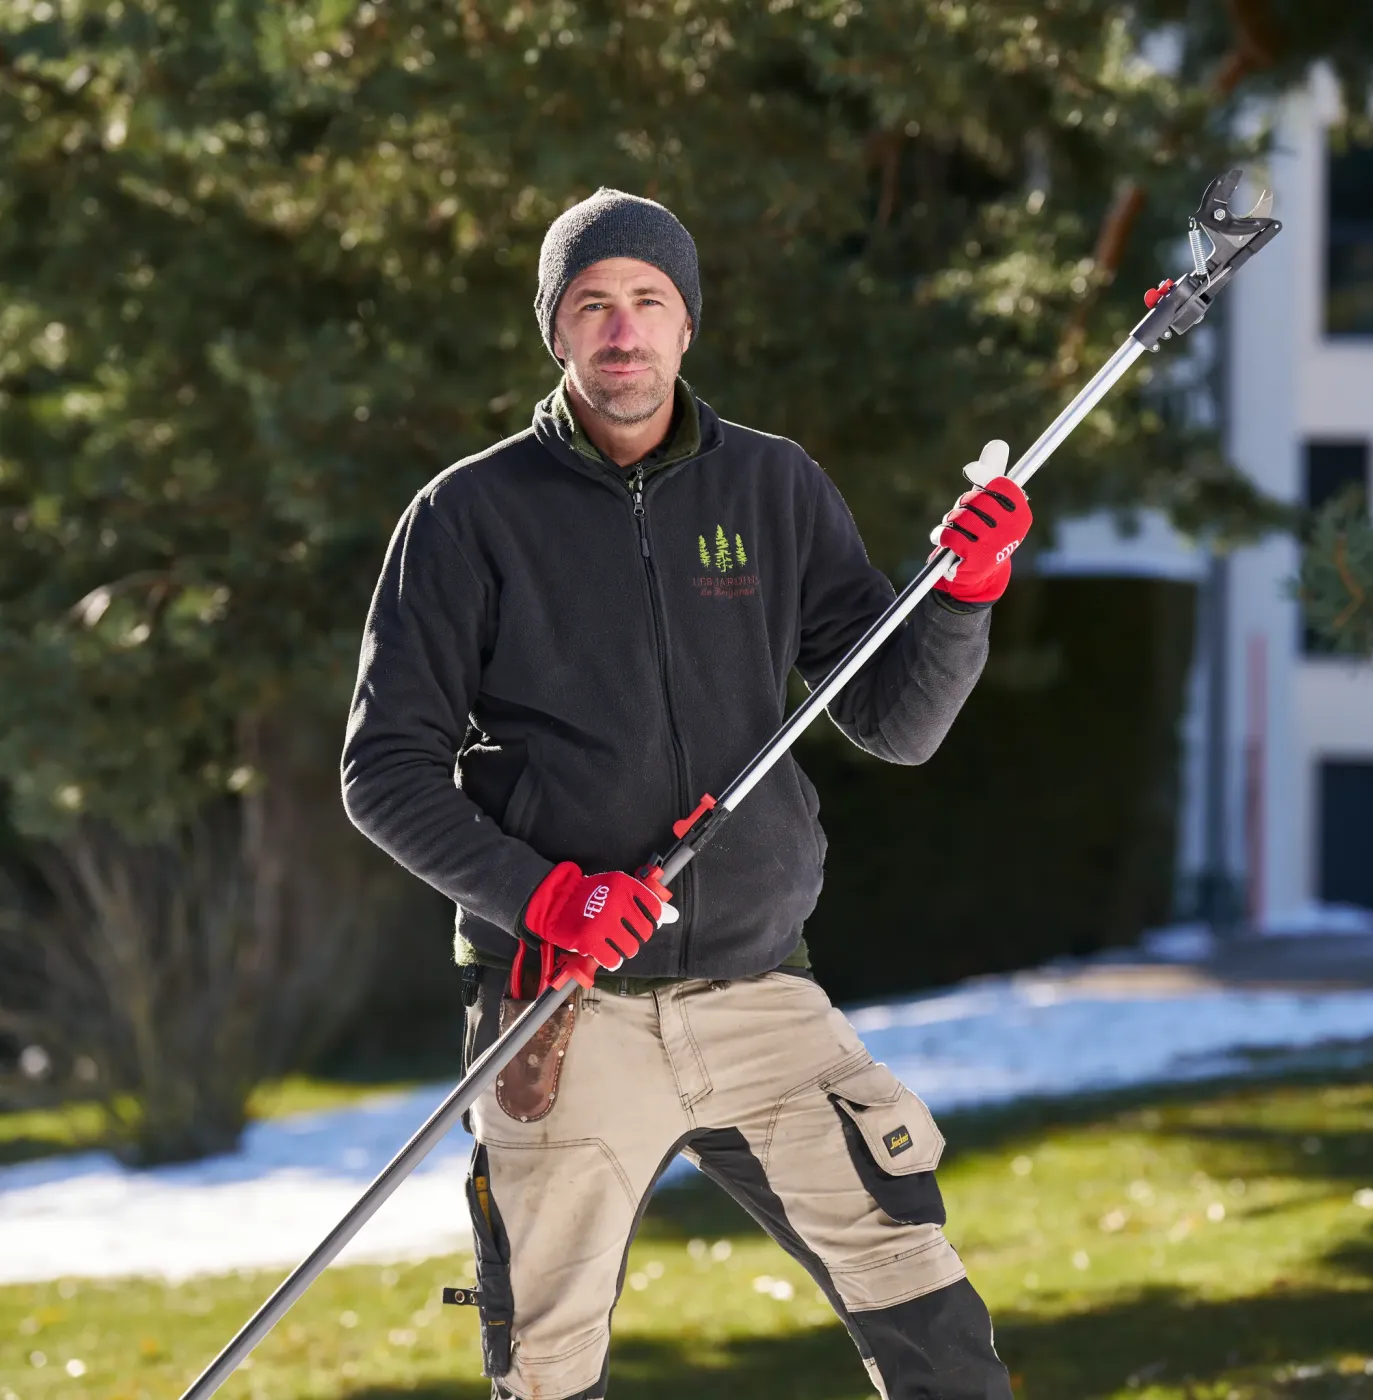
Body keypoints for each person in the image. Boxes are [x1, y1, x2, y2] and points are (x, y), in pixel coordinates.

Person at [342, 187, 1031, 1400]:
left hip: (760, 993)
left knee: (927, 1312)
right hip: (561, 1009)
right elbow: (381, 769)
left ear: (686, 325)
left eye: (647, 301)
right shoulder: (465, 515)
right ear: (555, 332)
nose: (622, 329)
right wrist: (544, 894)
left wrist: (963, 592)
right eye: (592, 304)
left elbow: (895, 718)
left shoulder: (772, 488)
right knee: (546, 1370)